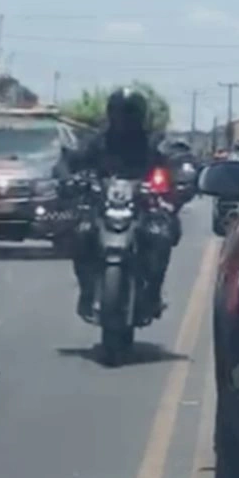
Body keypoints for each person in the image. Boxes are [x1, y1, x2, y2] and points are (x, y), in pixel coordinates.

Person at [69, 87, 176, 322]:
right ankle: (87, 291)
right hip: (104, 204)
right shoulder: (98, 141)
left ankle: (153, 293)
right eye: (119, 113)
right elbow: (74, 161)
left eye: (129, 113)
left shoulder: (152, 143)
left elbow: (169, 169)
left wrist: (166, 187)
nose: (124, 119)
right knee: (80, 232)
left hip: (142, 206)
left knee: (162, 235)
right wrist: (72, 177)